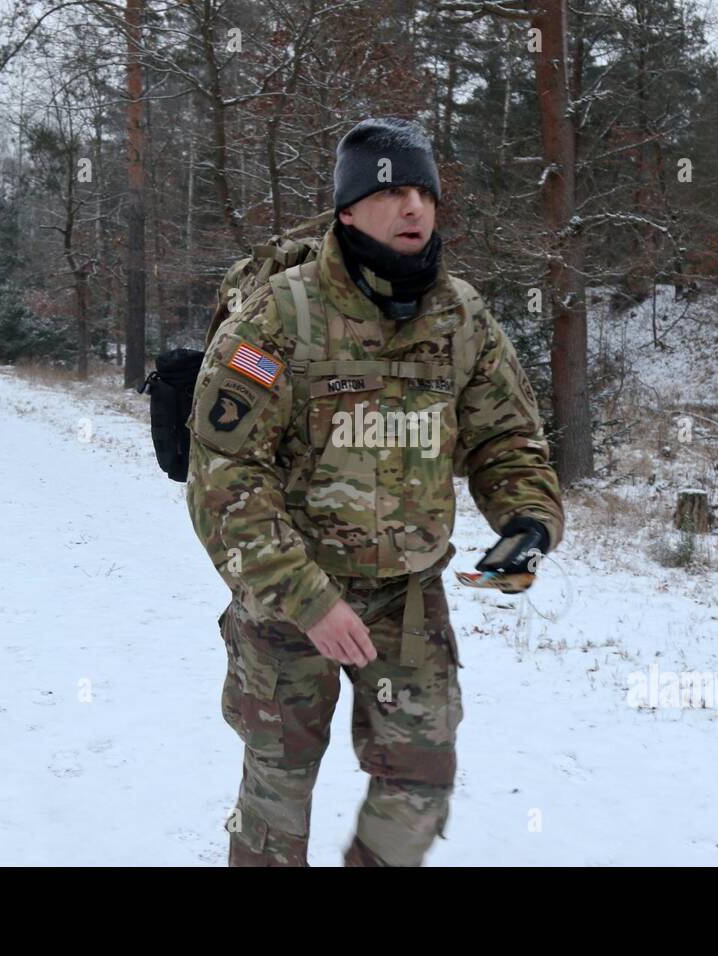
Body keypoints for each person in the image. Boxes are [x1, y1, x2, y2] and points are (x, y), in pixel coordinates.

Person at [187, 117, 565, 866]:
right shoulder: (277, 320)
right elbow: (225, 477)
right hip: (288, 603)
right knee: (277, 797)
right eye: (391, 191)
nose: (414, 207)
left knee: (420, 785)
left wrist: (527, 519)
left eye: (424, 190)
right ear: (348, 210)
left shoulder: (461, 317)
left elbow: (505, 440)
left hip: (407, 602)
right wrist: (307, 597)